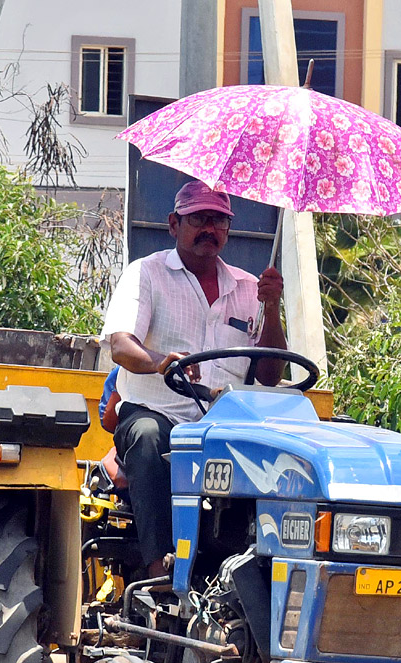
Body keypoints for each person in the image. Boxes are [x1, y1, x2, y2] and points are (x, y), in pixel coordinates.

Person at [100, 180, 287, 577]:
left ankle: (261, 569)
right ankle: (159, 571)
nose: (210, 229)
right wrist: (159, 363)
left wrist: (272, 308)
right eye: (199, 219)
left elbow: (270, 375)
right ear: (173, 224)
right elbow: (120, 345)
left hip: (223, 423)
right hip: (156, 411)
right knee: (151, 437)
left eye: (219, 221)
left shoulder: (250, 288)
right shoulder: (146, 274)